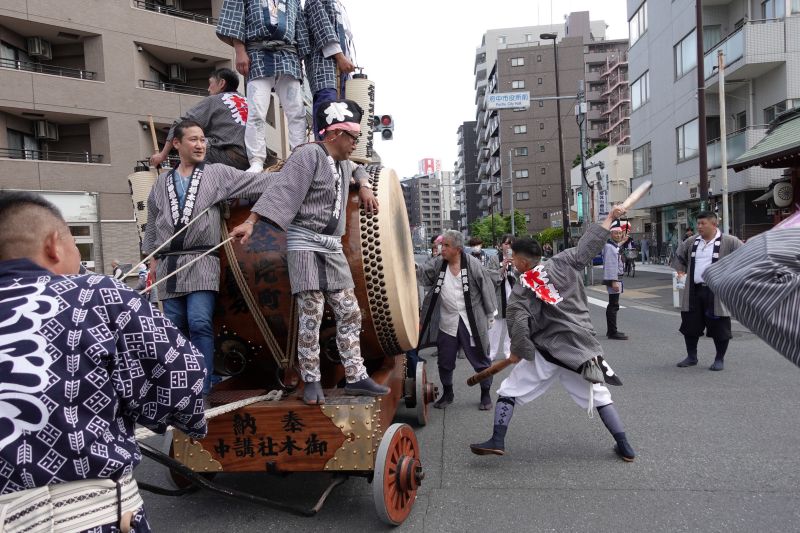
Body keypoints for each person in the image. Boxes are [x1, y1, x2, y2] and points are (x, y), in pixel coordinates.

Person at [0, 191, 206, 532]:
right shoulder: (98, 294)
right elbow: (183, 381)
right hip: (88, 520)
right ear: (54, 245)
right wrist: (186, 421)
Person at [229, 99, 387, 405]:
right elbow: (282, 191)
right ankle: (311, 379)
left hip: (331, 246)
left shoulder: (343, 163)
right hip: (304, 243)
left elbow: (359, 168)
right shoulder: (309, 155)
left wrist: (365, 185)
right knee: (311, 312)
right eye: (352, 137)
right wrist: (250, 222)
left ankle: (356, 375)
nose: (355, 144)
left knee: (349, 311)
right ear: (335, 134)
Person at [469, 204, 636, 462]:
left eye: (514, 258)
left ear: (522, 261)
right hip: (580, 350)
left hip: (548, 351)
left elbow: (518, 322)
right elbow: (589, 244)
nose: (512, 262)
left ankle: (497, 439)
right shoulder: (565, 260)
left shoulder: (523, 288)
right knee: (600, 394)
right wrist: (611, 217)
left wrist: (518, 352)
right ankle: (624, 446)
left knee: (509, 391)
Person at [143, 119, 273, 400]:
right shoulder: (161, 182)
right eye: (193, 139)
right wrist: (150, 255)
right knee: (174, 327)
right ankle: (181, 383)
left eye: (203, 140)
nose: (200, 145)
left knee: (199, 321)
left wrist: (299, 175)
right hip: (168, 263)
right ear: (176, 144)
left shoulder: (217, 173)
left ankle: (202, 386)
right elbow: (152, 221)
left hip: (202, 259)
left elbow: (259, 182)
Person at [216, 0, 310, 172]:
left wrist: (301, 59)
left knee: (296, 111)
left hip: (289, 55)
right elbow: (235, 17)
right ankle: (256, 160)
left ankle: (300, 158)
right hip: (258, 54)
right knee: (256, 111)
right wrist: (240, 51)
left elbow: (301, 28)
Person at [418, 230, 498, 410]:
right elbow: (423, 273)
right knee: (445, 360)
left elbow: (486, 288)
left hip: (472, 320)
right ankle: (448, 393)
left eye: (446, 245)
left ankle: (485, 393)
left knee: (480, 358)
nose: (442, 249)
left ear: (458, 249)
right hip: (448, 320)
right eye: (442, 245)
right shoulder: (439, 263)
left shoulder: (473, 264)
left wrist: (490, 314)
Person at [672, 211, 743, 371]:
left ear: (714, 224)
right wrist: (680, 270)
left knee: (720, 326)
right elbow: (679, 256)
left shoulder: (730, 241)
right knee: (690, 325)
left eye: (703, 223)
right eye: (698, 223)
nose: (699, 226)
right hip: (694, 290)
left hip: (717, 291)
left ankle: (719, 359)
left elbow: (746, 257)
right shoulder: (692, 241)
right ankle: (691, 357)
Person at [149, 67, 250, 170]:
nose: (208, 89)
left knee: (191, 141)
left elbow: (180, 124)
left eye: (210, 83)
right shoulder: (247, 101)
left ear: (221, 83)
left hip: (231, 156)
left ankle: (190, 178)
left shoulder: (214, 99)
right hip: (254, 158)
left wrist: (163, 155)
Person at [304, 0, 357, 139]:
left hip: (343, 69)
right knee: (328, 108)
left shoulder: (340, 5)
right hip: (324, 64)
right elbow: (322, 27)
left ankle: (337, 151)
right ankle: (324, 149)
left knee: (342, 116)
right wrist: (340, 57)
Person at [488, 234, 516, 360]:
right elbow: (489, 275)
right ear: (501, 245)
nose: (508, 246)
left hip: (513, 295)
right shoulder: (494, 259)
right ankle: (492, 352)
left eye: (511, 244)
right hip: (499, 295)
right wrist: (502, 268)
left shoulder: (517, 258)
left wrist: (514, 267)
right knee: (495, 327)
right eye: (506, 243)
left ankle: (508, 351)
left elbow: (522, 276)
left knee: (510, 326)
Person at [603, 222, 628, 340]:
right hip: (614, 278)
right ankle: (612, 332)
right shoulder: (609, 247)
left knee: (613, 305)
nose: (618, 235)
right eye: (616, 233)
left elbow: (616, 249)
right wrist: (613, 281)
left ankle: (612, 331)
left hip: (615, 278)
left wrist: (623, 241)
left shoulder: (612, 245)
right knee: (613, 305)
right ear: (611, 234)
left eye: (620, 233)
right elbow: (610, 265)